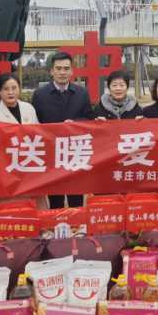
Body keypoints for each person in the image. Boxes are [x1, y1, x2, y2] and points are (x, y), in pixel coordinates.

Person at [31, 52, 92, 207]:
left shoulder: (82, 94)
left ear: (72, 71)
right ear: (52, 71)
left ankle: (76, 222)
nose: (62, 72)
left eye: (66, 68)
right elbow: (35, 124)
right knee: (55, 201)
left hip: (75, 153)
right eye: (58, 69)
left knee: (76, 200)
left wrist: (76, 124)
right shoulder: (40, 95)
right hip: (52, 154)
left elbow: (89, 120)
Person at [0, 73, 48, 209]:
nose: (10, 92)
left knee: (36, 206)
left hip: (31, 165)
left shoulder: (29, 108)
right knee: (12, 207)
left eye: (14, 88)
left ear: (19, 89)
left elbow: (39, 134)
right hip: (9, 170)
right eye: (6, 89)